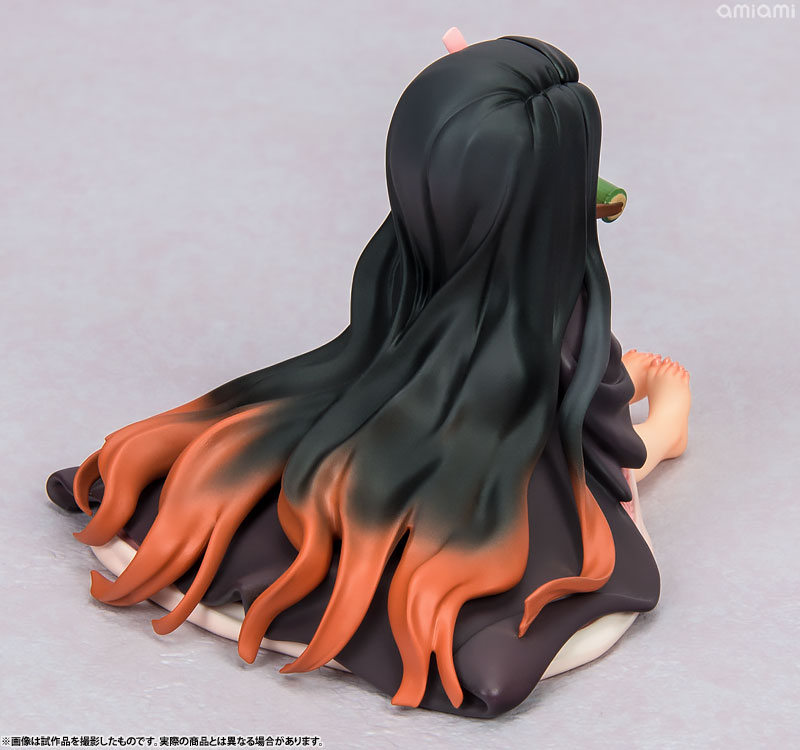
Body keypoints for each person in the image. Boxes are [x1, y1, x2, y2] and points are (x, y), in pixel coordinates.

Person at [46, 35, 690, 718]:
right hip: (489, 491)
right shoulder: (558, 317)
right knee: (545, 535)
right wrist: (666, 411)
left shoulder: (396, 268)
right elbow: (609, 455)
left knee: (233, 471)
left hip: (373, 437)